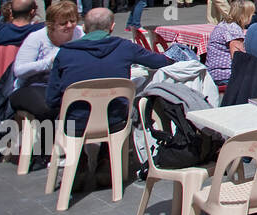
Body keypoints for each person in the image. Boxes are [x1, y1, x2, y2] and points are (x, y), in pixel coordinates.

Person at [36, 8, 171, 135]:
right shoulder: (125, 47)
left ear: (84, 28)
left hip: (75, 123)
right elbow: (160, 62)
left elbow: (52, 99)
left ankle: (82, 156)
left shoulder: (65, 53)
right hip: (116, 120)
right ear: (112, 27)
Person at [12, 0, 84, 92]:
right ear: (51, 24)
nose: (69, 25)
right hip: (34, 86)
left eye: (73, 21)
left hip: (70, 84)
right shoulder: (36, 37)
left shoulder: (81, 34)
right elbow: (19, 70)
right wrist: (50, 62)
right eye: (63, 23)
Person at [205, 0, 253, 90]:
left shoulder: (223, 25)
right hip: (225, 74)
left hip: (213, 71)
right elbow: (238, 57)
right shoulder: (234, 29)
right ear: (244, 15)